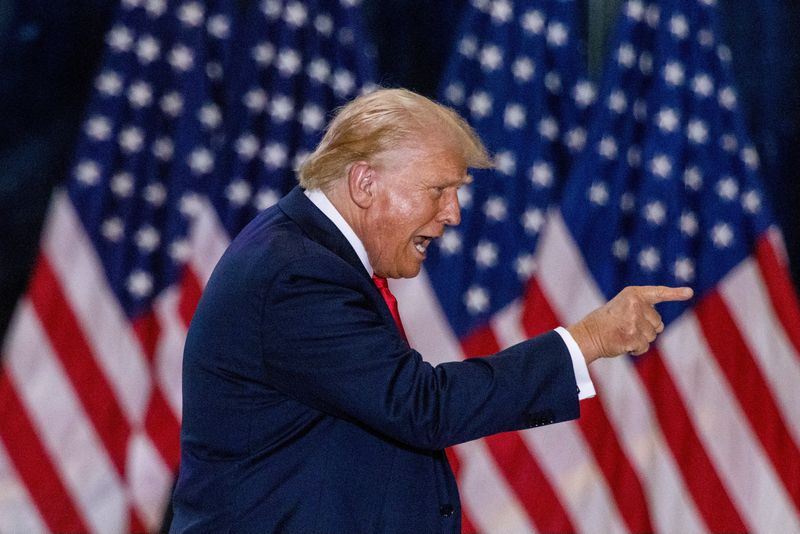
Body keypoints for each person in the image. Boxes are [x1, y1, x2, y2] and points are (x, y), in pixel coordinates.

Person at [170, 88, 692, 533]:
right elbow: (422, 407)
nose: (453, 214)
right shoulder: (297, 274)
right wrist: (589, 340)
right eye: (439, 190)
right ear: (364, 183)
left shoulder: (308, 253)